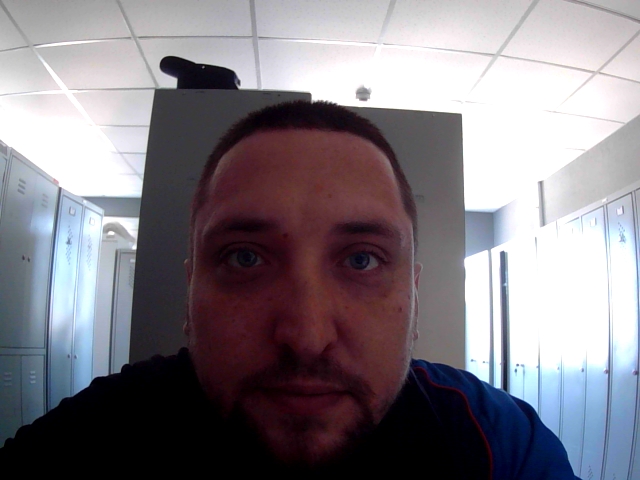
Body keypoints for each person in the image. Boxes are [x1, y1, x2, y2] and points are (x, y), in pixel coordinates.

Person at [1, 101, 576, 478]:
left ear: (415, 297)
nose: (306, 336)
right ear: (190, 292)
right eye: (245, 257)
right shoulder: (91, 443)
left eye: (362, 259)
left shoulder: (499, 446)